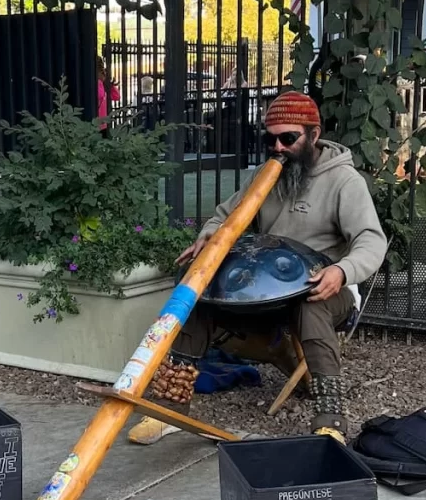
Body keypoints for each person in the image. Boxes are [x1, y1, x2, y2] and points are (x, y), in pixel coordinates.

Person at [128, 90, 387, 446]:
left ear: (313, 134)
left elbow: (372, 240)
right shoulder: (264, 175)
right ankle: (169, 407)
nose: (278, 147)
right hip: (268, 291)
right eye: (270, 139)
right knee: (200, 300)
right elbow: (225, 217)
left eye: (288, 138)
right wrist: (210, 238)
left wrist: (342, 271)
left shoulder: (344, 182)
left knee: (311, 308)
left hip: (325, 288)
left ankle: (331, 420)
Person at [97, 56, 119, 130]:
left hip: (103, 124)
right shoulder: (96, 83)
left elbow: (116, 97)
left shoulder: (103, 84)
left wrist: (110, 85)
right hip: (96, 123)